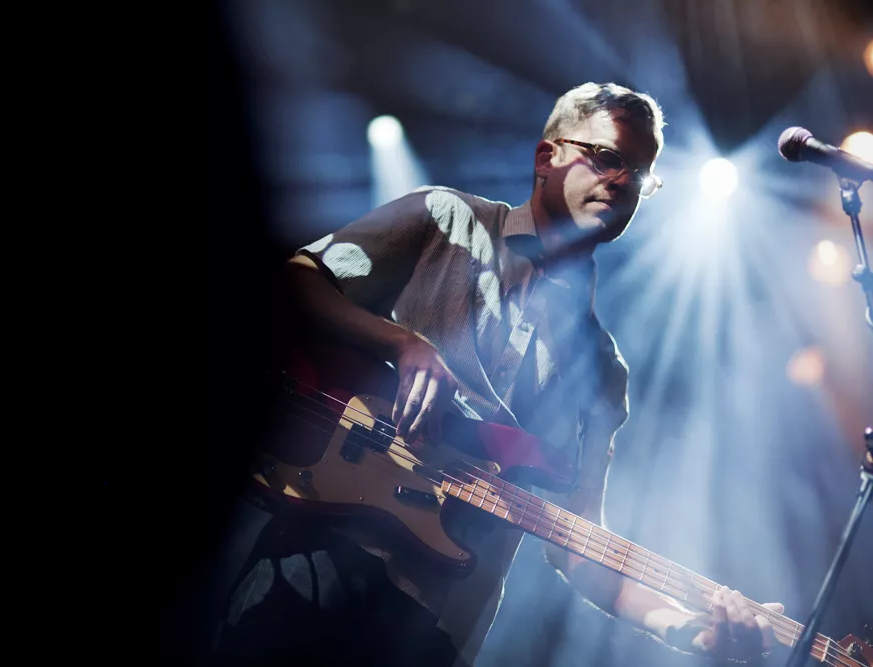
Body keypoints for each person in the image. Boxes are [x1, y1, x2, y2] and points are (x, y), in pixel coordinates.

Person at [209, 82, 783, 667]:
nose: (622, 180)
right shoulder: (444, 218)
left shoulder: (604, 373)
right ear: (547, 157)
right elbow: (298, 280)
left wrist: (690, 630)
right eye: (607, 157)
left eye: (639, 173)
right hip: (318, 549)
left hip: (436, 626)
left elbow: (579, 543)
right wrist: (402, 343)